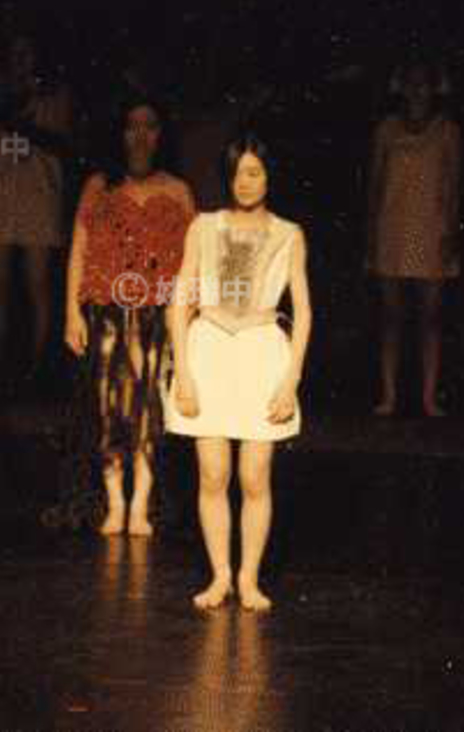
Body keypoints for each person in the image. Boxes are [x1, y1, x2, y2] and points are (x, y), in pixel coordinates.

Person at [166, 134, 312, 611]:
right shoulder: (204, 226)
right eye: (237, 174)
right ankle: (221, 576)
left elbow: (303, 312)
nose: (245, 182)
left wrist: (291, 379)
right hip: (209, 347)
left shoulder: (288, 233)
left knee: (254, 475)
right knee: (213, 473)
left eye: (254, 172)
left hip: (261, 350)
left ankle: (249, 578)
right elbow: (180, 301)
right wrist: (183, 373)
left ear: (269, 176)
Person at [63, 96, 195, 536]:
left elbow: (193, 262)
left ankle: (140, 504)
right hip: (105, 314)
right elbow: (79, 249)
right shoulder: (99, 186)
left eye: (149, 126)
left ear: (161, 135)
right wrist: (71, 312)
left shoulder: (178, 191)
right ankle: (116, 502)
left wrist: (187, 319)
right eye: (131, 125)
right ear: (119, 134)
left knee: (148, 409)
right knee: (109, 410)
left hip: (156, 317)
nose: (140, 135)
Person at [0, 34, 74, 388]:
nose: (20, 59)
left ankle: (37, 367)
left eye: (27, 52)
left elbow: (64, 143)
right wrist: (7, 105)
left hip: (40, 194)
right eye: (14, 52)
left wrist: (25, 125)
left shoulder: (56, 95)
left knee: (38, 283)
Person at [367, 60, 462, 417]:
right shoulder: (387, 129)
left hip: (432, 229)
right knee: (391, 317)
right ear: (401, 87)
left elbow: (454, 186)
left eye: (424, 83)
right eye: (412, 83)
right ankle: (388, 396)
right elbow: (375, 184)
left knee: (430, 318)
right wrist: (371, 234)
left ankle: (428, 397)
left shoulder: (448, 130)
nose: (417, 90)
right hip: (392, 227)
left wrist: (450, 233)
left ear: (434, 88)